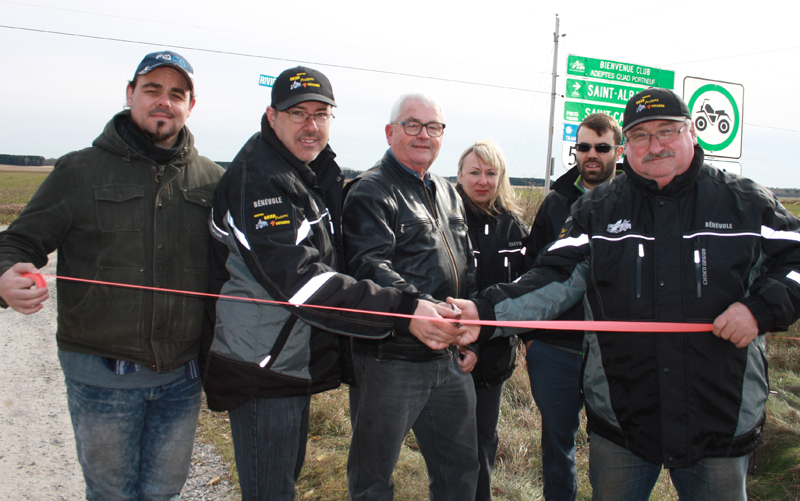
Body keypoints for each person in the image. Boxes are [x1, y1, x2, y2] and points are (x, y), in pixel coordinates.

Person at [452, 88, 800, 500]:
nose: (655, 145)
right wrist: (480, 312)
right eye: (640, 135)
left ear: (690, 132)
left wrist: (759, 309)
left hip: (719, 418)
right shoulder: (597, 210)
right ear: (628, 146)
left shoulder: (743, 202)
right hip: (623, 419)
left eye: (666, 131)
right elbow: (550, 278)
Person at [200, 70, 464, 501]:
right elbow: (302, 282)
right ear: (271, 116)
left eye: (321, 114)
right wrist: (404, 309)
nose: (311, 125)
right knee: (271, 490)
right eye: (298, 113)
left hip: (288, 356)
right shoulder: (261, 181)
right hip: (261, 365)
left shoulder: (308, 172)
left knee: (283, 482)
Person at [0, 50, 224, 499]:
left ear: (191, 105)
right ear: (130, 94)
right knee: (111, 493)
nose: (164, 101)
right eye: (152, 90)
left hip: (181, 378)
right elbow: (17, 242)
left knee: (164, 493)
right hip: (100, 375)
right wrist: (5, 276)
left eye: (176, 94)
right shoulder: (79, 170)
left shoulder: (212, 180)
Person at [341, 92, 479, 500]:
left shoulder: (448, 191)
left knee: (460, 469)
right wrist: (425, 309)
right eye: (413, 125)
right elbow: (368, 265)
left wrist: (471, 331)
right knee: (373, 475)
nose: (424, 135)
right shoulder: (370, 191)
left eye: (433, 127)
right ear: (390, 132)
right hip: (391, 359)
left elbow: (465, 264)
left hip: (450, 357)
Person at [522, 113, 623, 501]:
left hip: (614, 350)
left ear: (618, 150)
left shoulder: (636, 201)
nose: (591, 155)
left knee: (614, 448)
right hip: (557, 350)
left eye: (601, 147)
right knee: (557, 446)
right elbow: (531, 269)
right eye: (583, 147)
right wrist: (531, 337)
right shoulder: (554, 204)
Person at [456, 139, 529, 501]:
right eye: (474, 172)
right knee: (451, 447)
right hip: (448, 353)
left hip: (495, 357)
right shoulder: (444, 220)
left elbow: (524, 291)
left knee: (483, 441)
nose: (482, 181)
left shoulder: (514, 227)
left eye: (490, 173)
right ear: (459, 175)